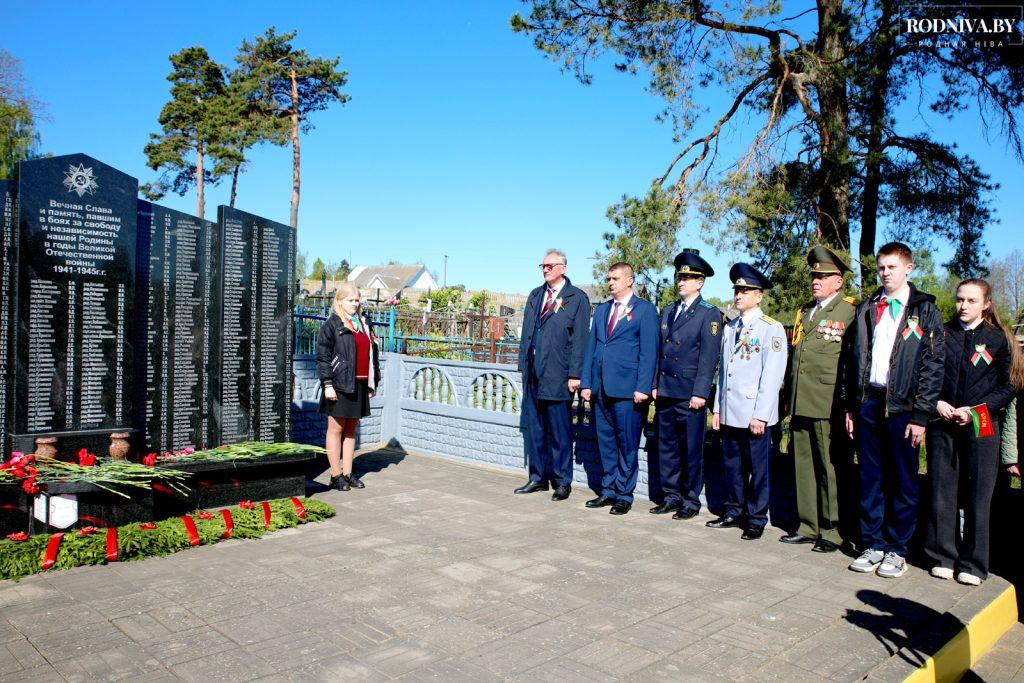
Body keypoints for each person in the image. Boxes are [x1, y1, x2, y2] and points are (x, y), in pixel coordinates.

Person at [840, 242, 944, 578]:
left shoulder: (924, 309)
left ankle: (897, 549)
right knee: (871, 476)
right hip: (869, 401)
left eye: (892, 267)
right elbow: (852, 359)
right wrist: (851, 407)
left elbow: (932, 365)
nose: (885, 273)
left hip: (902, 407)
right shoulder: (870, 305)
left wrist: (921, 415)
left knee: (902, 479)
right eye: (881, 267)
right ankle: (874, 543)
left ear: (908, 268)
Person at [923, 279, 1022, 585]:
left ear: (986, 304)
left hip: (981, 420)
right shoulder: (942, 333)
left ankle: (974, 564)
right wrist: (936, 402)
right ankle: (942, 556)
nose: (963, 306)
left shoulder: (997, 339)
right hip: (944, 419)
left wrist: (977, 411)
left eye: (971, 301)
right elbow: (927, 373)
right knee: (942, 490)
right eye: (959, 300)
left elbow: (1009, 386)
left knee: (979, 494)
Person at [781, 246, 858, 553]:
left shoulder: (849, 311)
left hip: (827, 404)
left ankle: (832, 530)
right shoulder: (804, 311)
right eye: (814, 275)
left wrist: (847, 404)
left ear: (838, 281)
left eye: (823, 276)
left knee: (829, 468)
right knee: (803, 465)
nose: (816, 280)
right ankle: (807, 525)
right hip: (801, 400)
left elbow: (850, 361)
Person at [707, 263, 788, 540]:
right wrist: (717, 408)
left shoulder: (771, 328)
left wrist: (762, 415)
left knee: (758, 469)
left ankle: (755, 517)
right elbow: (724, 371)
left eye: (745, 290)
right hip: (731, 411)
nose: (738, 295)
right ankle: (733, 510)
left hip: (754, 413)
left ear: (759, 295)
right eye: (737, 290)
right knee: (732, 465)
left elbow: (772, 376)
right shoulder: (731, 327)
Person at [580, 262, 659, 515]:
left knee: (626, 443)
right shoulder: (603, 310)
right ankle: (608, 489)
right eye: (609, 279)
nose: (610, 283)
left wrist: (643, 387)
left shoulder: (644, 310)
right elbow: (591, 348)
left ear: (629, 281)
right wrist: (586, 383)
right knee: (605, 442)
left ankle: (624, 493)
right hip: (601, 388)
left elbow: (649, 353)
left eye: (615, 278)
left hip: (628, 391)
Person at [649, 249, 722, 520]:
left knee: (691, 450)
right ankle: (671, 496)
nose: (681, 282)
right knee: (666, 447)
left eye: (687, 278)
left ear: (700, 282)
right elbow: (660, 351)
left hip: (690, 393)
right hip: (667, 390)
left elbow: (709, 357)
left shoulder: (709, 314)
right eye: (679, 276)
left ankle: (691, 501)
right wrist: (655, 383)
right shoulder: (668, 310)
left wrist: (701, 392)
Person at [514, 249, 591, 500]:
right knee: (535, 430)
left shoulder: (576, 298)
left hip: (559, 376)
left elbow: (580, 339)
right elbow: (527, 333)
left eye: (550, 265)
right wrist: (523, 367)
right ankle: (537, 478)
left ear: (563, 268)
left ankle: (562, 481)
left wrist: (575, 375)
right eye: (543, 266)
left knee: (559, 433)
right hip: (534, 375)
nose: (545, 269)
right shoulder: (536, 296)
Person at [315, 283, 381, 491]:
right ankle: (335, 476)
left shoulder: (363, 323)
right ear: (340, 301)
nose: (355, 303)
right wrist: (327, 384)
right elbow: (323, 357)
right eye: (350, 300)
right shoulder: (332, 325)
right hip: (338, 384)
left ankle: (348, 473)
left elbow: (372, 355)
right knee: (336, 429)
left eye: (357, 300)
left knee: (352, 429)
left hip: (359, 383)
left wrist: (373, 382)